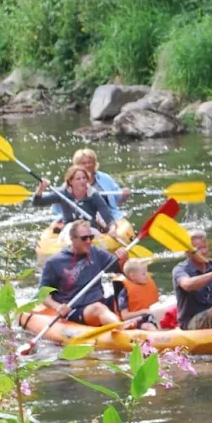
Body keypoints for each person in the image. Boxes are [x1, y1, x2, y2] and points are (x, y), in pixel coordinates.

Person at [33, 219, 129, 348]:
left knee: (126, 291)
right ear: (72, 239)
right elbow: (42, 294)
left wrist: (124, 259)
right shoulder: (54, 263)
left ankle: (146, 322)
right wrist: (57, 307)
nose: (89, 241)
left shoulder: (96, 253)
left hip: (100, 301)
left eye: (91, 237)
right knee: (98, 309)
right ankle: (125, 332)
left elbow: (123, 271)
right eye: (84, 238)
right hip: (76, 309)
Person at [33, 164, 116, 232]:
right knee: (69, 228)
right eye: (78, 179)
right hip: (69, 230)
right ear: (70, 181)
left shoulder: (93, 195)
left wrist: (112, 229)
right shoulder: (62, 193)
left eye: (84, 178)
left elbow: (108, 218)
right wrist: (40, 189)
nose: (82, 181)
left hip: (89, 230)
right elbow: (37, 202)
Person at [73, 147, 130, 221]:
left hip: (108, 214)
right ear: (77, 165)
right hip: (82, 217)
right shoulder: (71, 180)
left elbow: (118, 199)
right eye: (84, 163)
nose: (87, 165)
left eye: (90, 162)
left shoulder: (105, 178)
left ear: (94, 164)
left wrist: (124, 194)